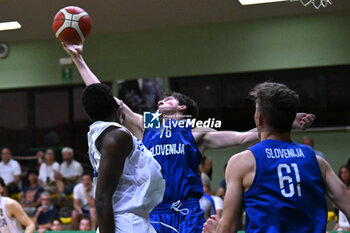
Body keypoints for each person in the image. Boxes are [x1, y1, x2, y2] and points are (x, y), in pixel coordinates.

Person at [63, 43, 315, 233]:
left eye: (168, 98)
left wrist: (283, 121)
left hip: (187, 212)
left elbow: (241, 138)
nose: (161, 100)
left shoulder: (196, 132)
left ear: (182, 108)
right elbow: (108, 100)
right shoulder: (147, 124)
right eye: (160, 99)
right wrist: (78, 58)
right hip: (154, 211)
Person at [202, 82, 350, 233]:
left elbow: (228, 229)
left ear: (259, 118)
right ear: (290, 119)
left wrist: (215, 231)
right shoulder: (317, 162)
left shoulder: (242, 163)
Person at [82, 83, 165, 233]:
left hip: (134, 218)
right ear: (115, 106)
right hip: (126, 221)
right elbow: (102, 198)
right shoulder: (117, 137)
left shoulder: (107, 133)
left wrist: (80, 63)